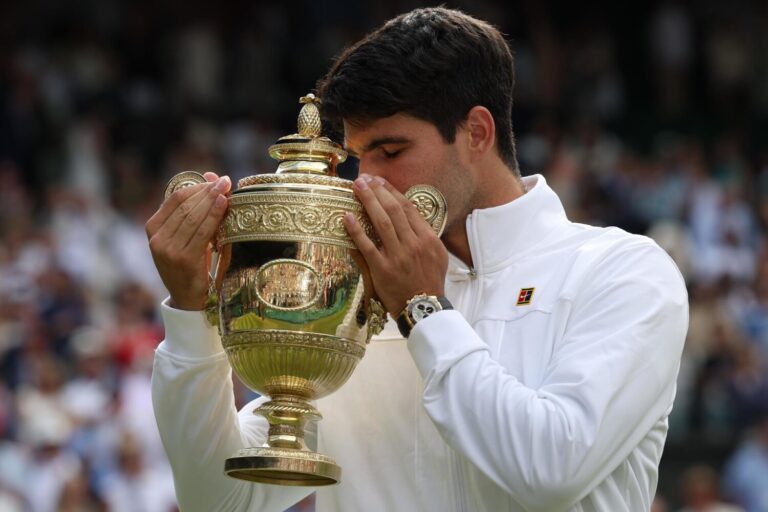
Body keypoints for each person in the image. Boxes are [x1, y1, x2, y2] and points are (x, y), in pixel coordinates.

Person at [147, 7, 688, 512]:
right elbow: (220, 497)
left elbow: (551, 468)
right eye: (358, 159)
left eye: (392, 151)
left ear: (477, 132)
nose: (368, 183)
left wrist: (423, 311)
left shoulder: (624, 271)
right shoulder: (355, 289)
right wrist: (192, 313)